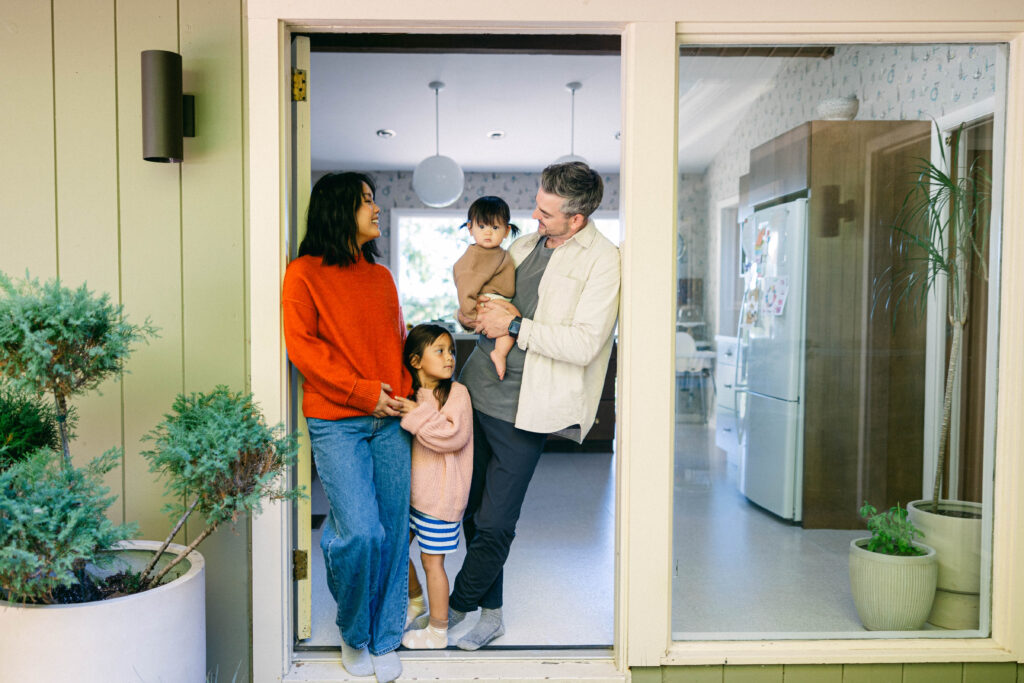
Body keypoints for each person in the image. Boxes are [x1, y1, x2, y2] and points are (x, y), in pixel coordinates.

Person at [446, 161, 621, 650]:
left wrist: (517, 327)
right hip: (476, 389)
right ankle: (491, 613)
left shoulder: (604, 261)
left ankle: (454, 606)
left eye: (545, 212)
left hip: (528, 408)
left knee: (497, 521)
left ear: (577, 220)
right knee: (470, 512)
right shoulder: (523, 245)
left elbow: (586, 343)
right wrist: (475, 312)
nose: (533, 216)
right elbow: (491, 304)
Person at [282, 172, 411, 683]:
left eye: (375, 199)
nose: (376, 209)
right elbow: (305, 352)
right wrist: (365, 394)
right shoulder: (303, 274)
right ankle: (354, 633)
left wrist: (401, 394)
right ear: (339, 209)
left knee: (394, 532)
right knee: (360, 533)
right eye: (366, 201)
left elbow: (397, 340)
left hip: (389, 420)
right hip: (338, 420)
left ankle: (384, 637)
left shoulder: (381, 277)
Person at [393, 324, 474, 650]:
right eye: (439, 351)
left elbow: (452, 436)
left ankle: (438, 631)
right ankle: (416, 602)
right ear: (415, 360)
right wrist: (414, 409)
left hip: (440, 499)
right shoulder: (409, 395)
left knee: (432, 562)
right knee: (395, 549)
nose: (449, 357)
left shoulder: (458, 394)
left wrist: (417, 414)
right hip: (412, 497)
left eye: (451, 350)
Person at [452, 196, 520, 380]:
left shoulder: (496, 252)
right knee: (514, 319)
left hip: (496, 298)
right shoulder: (476, 255)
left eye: (495, 227)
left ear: (506, 231)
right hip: (489, 300)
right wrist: (471, 313)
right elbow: (465, 283)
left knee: (513, 319)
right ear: (470, 228)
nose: (488, 233)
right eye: (482, 227)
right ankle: (500, 353)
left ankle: (499, 352)